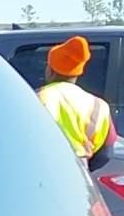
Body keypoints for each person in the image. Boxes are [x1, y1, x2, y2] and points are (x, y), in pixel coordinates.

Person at [39, 36, 115, 168]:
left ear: (50, 70)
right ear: (77, 74)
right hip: (79, 175)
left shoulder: (38, 99)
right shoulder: (99, 105)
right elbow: (106, 154)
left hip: (44, 169)